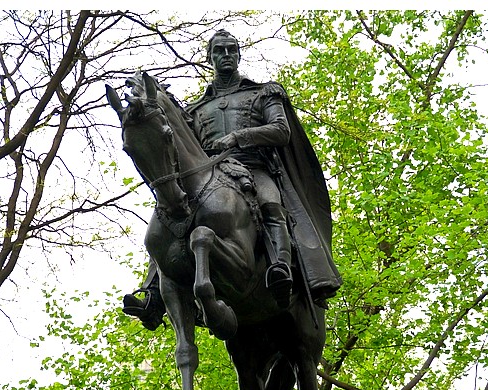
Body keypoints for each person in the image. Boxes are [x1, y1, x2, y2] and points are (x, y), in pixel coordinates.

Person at [123, 30, 341, 330]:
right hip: (210, 176)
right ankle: (152, 293)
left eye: (231, 50)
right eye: (219, 51)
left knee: (269, 202)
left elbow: (281, 130)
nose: (226, 55)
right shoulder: (196, 109)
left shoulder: (262, 93)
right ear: (210, 57)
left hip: (254, 169)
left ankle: (280, 268)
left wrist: (239, 137)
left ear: (238, 55)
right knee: (166, 218)